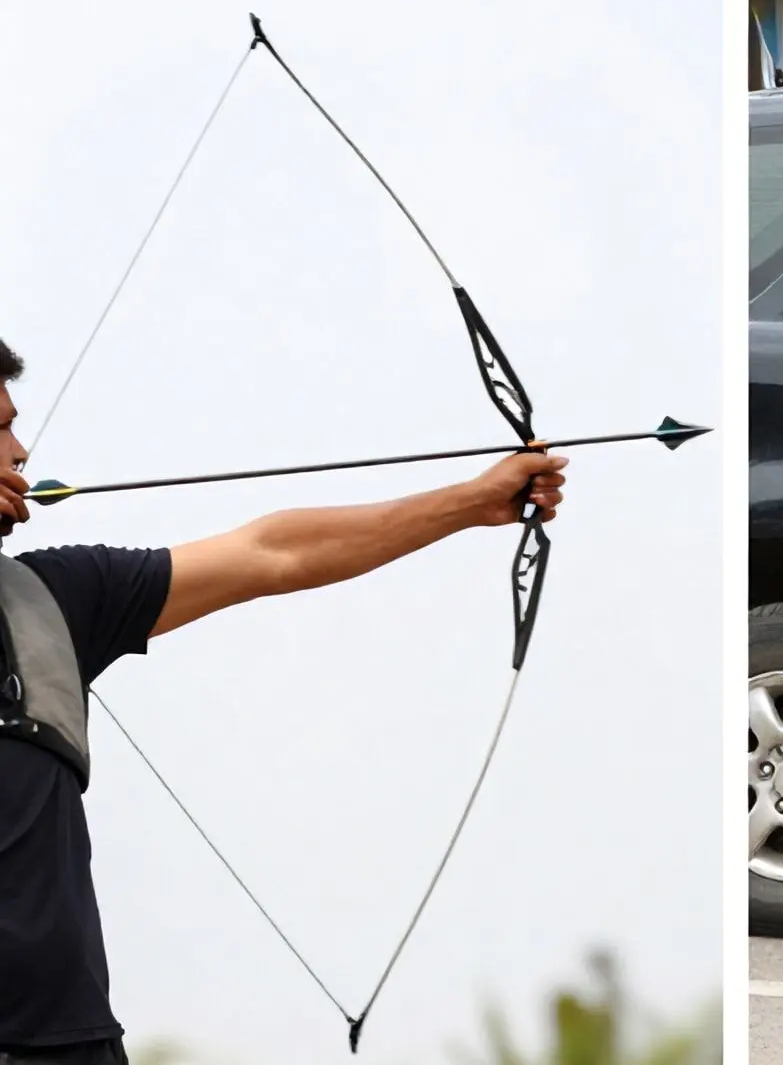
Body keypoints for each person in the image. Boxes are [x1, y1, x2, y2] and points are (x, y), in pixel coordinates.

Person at [0, 337, 568, 1063]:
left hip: (68, 1044)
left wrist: (471, 501)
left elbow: (273, 553)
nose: (20, 450)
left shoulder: (55, 599)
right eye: (0, 429)